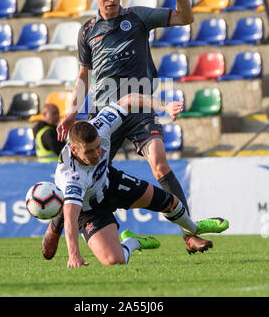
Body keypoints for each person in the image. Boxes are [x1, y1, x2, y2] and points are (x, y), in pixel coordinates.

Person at [56, 0, 210, 254]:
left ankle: (188, 234)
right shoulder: (88, 31)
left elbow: (185, 18)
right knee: (87, 175)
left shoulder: (138, 17)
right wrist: (72, 111)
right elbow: (82, 77)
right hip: (103, 115)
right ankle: (56, 227)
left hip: (139, 109)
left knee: (160, 162)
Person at [42, 93, 229, 268]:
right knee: (114, 260)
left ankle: (194, 228)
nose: (97, 154)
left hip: (110, 183)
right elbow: (70, 216)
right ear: (74, 150)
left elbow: (129, 99)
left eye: (98, 147)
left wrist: (164, 106)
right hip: (90, 210)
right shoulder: (72, 177)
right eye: (89, 152)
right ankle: (133, 242)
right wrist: (73, 254)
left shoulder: (101, 125)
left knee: (170, 203)